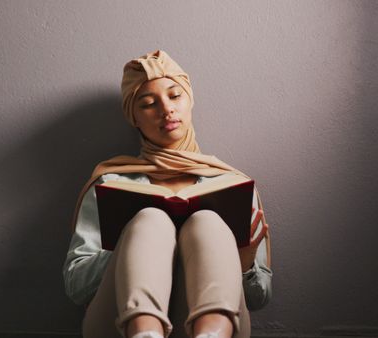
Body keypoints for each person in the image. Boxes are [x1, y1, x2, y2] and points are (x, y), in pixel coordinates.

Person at [63, 50, 272, 338]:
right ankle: (145, 332)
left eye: (175, 96)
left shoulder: (231, 184)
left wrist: (245, 264)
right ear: (133, 117)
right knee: (150, 219)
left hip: (216, 323)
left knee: (207, 222)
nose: (166, 110)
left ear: (190, 102)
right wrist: (126, 245)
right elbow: (76, 286)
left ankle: (212, 333)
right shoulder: (111, 182)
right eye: (149, 104)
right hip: (118, 323)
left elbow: (259, 299)